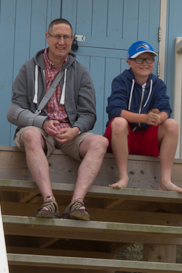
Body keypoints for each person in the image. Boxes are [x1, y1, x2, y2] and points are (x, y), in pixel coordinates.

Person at [7, 18, 108, 220]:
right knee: (30, 135)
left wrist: (75, 130)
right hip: (40, 131)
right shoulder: (28, 68)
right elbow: (14, 111)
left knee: (100, 142)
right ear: (47, 37)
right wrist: (42, 123)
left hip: (70, 134)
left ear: (72, 39)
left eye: (66, 37)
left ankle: (77, 202)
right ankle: (49, 201)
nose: (62, 42)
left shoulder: (81, 72)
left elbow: (89, 115)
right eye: (57, 36)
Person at [105, 40, 182, 193]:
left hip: (145, 140)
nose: (145, 63)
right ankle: (123, 177)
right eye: (139, 59)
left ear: (154, 62)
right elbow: (114, 110)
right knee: (118, 122)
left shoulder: (158, 84)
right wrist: (145, 118)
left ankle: (165, 181)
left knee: (172, 124)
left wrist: (158, 118)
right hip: (122, 139)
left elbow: (165, 109)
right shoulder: (121, 81)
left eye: (149, 59)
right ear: (130, 62)